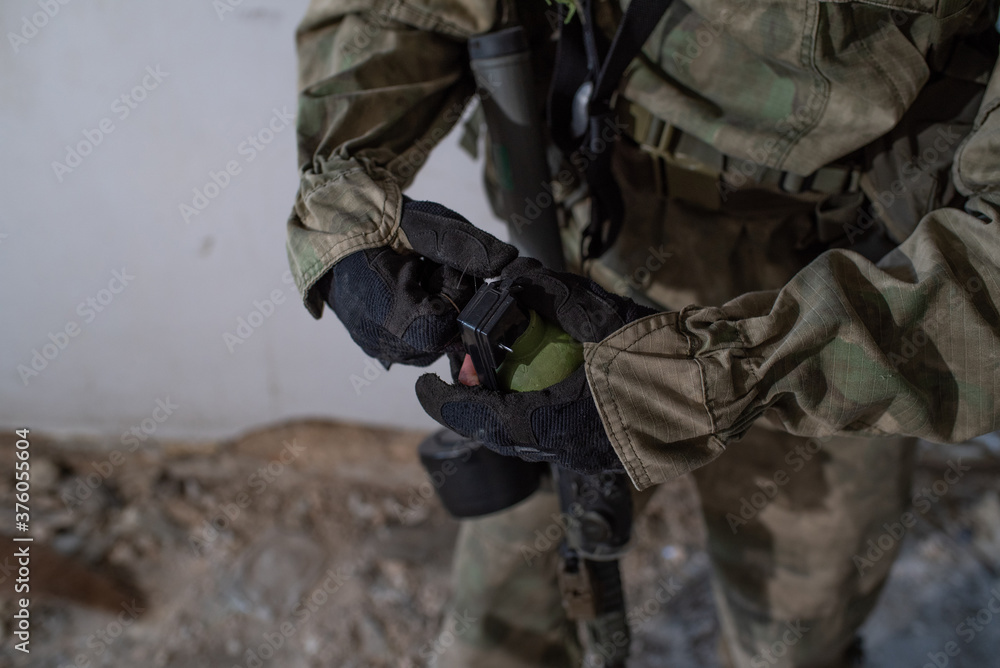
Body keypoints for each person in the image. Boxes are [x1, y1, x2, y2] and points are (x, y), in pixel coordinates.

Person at [285, 0, 1000, 665]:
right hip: (575, 264)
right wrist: (349, 221)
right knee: (498, 629)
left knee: (795, 640)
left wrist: (700, 386)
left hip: (846, 307)